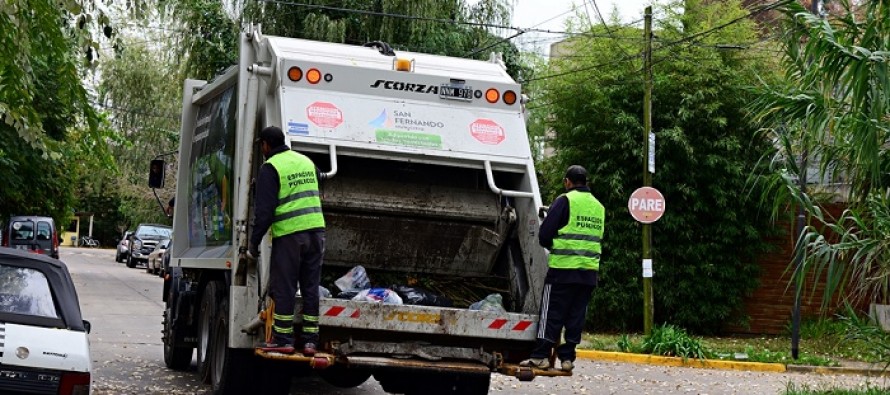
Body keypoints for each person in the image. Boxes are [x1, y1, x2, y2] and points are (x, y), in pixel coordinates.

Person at [249, 126, 326, 355]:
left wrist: (253, 243)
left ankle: (284, 339)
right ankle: (311, 341)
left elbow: (264, 213)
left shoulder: (271, 168)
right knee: (311, 287)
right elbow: (320, 185)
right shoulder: (306, 161)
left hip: (291, 235)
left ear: (265, 145)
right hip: (317, 232)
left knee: (285, 287)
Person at [521, 165, 605, 372]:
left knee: (551, 314)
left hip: (562, 270)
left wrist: (555, 246)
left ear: (567, 182)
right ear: (586, 181)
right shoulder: (598, 206)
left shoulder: (565, 200)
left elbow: (544, 236)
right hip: (588, 272)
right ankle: (567, 359)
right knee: (576, 315)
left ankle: (540, 355)